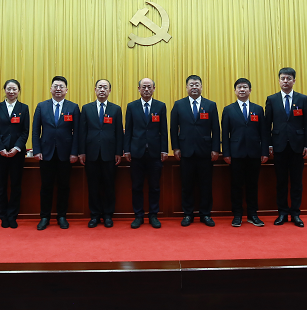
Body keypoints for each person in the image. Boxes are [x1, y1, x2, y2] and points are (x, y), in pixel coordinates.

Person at [265, 67, 307, 227]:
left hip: (297, 147)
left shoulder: (303, 99)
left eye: (288, 78)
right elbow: (267, 125)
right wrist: (269, 144)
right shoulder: (272, 99)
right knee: (281, 182)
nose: (285, 81)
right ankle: (282, 213)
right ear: (279, 81)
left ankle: (295, 213)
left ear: (294, 81)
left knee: (297, 182)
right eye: (283, 78)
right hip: (278, 147)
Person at [170, 75, 220, 227]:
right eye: (191, 85)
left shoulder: (210, 105)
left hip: (205, 152)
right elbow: (173, 128)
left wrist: (215, 149)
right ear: (186, 87)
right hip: (185, 152)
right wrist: (176, 148)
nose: (194, 87)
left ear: (201, 87)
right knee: (187, 185)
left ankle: (205, 214)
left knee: (206, 185)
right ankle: (188, 214)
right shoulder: (178, 105)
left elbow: (216, 129)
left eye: (197, 84)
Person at [32, 76, 79, 230]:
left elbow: (77, 132)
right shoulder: (41, 106)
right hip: (46, 154)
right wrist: (37, 150)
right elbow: (35, 131)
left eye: (61, 86)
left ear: (66, 90)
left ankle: (62, 216)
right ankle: (45, 217)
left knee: (64, 186)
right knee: (46, 186)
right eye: (55, 86)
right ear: (51, 89)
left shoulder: (73, 107)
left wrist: (74, 152)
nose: (58, 89)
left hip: (66, 154)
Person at [221, 78, 269, 227]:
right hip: (235, 154)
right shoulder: (228, 110)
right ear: (235, 91)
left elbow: (264, 133)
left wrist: (264, 152)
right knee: (236, 185)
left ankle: (252, 214)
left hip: (254, 154)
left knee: (252, 185)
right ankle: (237, 215)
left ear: (250, 90)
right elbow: (225, 134)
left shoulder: (258, 109)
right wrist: (226, 153)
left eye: (245, 87)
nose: (242, 90)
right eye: (239, 87)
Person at [78, 79, 124, 228]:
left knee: (109, 185)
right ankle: (95, 215)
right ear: (95, 90)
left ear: (109, 91)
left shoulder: (116, 109)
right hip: (91, 154)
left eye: (105, 87)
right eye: (100, 87)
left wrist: (118, 152)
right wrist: (81, 152)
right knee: (93, 186)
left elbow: (119, 132)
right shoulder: (86, 108)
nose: (102, 90)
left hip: (109, 154)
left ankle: (108, 215)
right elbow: (82, 132)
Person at [123, 78, 168, 229]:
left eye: (149, 87)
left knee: (154, 186)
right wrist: (127, 150)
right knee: (137, 186)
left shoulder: (160, 106)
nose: (146, 89)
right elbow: (128, 130)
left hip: (155, 153)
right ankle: (138, 215)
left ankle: (153, 215)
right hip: (137, 153)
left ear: (154, 88)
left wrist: (164, 149)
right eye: (144, 87)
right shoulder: (131, 106)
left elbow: (163, 130)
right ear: (139, 89)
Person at [0, 79, 30, 229]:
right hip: (0, 154)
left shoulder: (24, 108)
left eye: (14, 89)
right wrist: (1, 148)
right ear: (4, 90)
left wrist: (17, 148)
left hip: (17, 154)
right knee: (1, 186)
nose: (11, 92)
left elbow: (25, 131)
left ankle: (12, 215)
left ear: (19, 91)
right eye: (9, 89)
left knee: (16, 185)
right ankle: (3, 216)